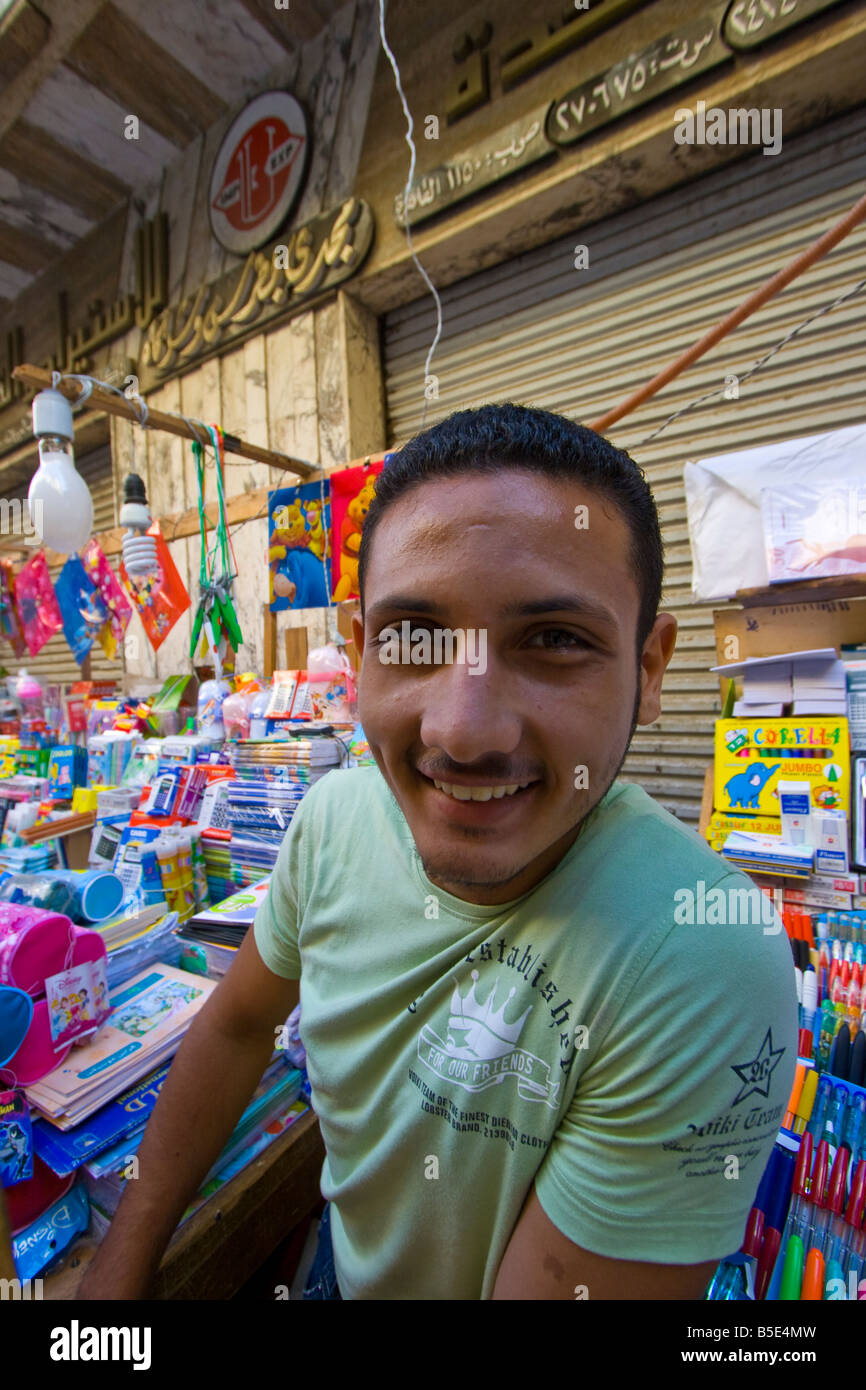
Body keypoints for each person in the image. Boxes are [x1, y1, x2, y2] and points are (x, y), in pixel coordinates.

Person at [79, 403, 797, 1301]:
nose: (464, 733)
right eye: (412, 639)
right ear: (358, 652)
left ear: (650, 669)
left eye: (555, 641)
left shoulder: (700, 957)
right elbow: (234, 1024)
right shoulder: (332, 820)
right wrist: (117, 1273)